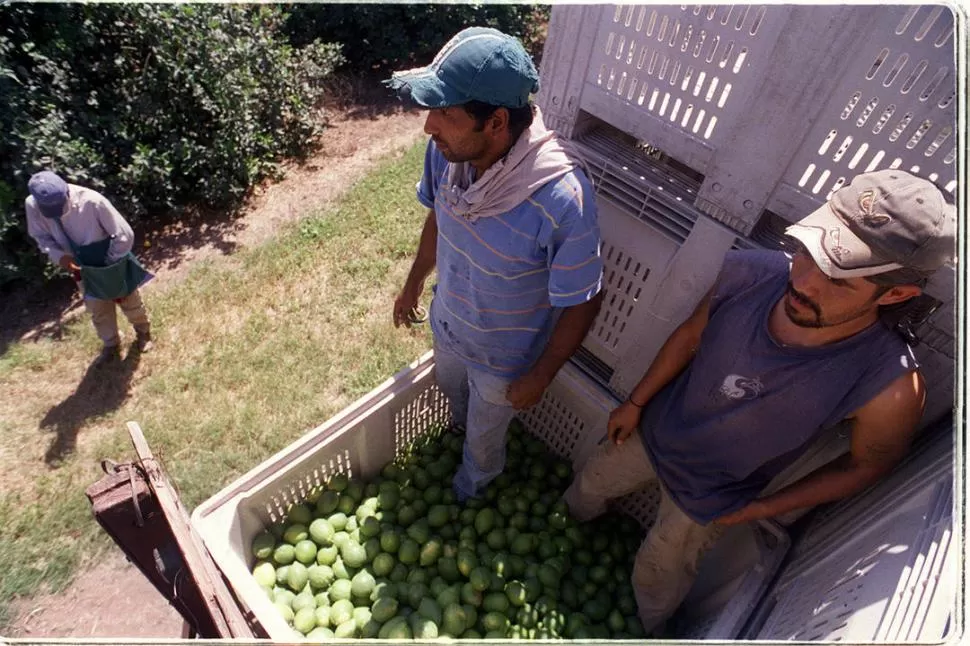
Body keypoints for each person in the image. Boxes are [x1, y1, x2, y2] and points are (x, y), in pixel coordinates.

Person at [563, 169, 955, 634]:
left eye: (840, 278)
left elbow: (867, 465)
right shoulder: (753, 273)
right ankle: (564, 529)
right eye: (809, 251)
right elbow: (691, 333)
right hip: (655, 432)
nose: (804, 281)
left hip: (713, 495)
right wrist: (637, 401)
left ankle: (640, 631)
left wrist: (759, 510)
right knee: (589, 485)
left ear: (898, 293)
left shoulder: (888, 384)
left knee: (658, 575)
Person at [386, 27, 604, 501]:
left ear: (497, 122)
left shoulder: (562, 200)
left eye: (445, 113)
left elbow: (585, 300)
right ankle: (457, 441)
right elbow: (439, 220)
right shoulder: (445, 156)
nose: (429, 127)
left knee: (484, 441)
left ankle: (471, 493)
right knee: (455, 400)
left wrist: (542, 373)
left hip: (503, 361)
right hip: (449, 324)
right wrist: (413, 285)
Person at [26, 171, 154, 365]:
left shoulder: (92, 201)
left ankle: (143, 332)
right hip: (80, 266)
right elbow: (41, 237)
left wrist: (111, 264)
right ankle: (111, 344)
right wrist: (60, 258)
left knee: (128, 298)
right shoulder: (33, 205)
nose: (56, 213)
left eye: (59, 207)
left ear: (66, 192)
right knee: (97, 308)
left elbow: (124, 235)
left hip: (110, 256)